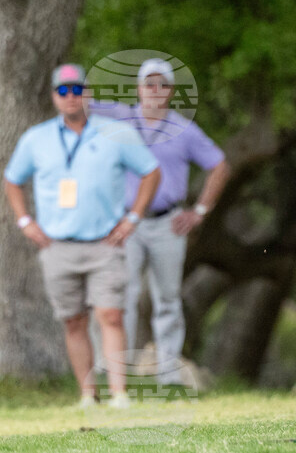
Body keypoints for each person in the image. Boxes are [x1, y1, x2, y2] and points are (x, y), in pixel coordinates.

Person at [4, 64, 161, 408]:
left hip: (106, 242)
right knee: (73, 320)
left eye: (77, 90)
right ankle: (88, 395)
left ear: (87, 94)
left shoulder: (116, 133)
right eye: (63, 91)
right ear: (54, 97)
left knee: (111, 314)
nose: (71, 96)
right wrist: (24, 221)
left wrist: (133, 217)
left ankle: (120, 394)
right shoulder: (36, 138)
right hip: (57, 245)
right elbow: (12, 178)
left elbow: (151, 171)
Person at [89, 58, 230, 385]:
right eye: (148, 84)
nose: (155, 90)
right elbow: (82, 103)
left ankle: (168, 371)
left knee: (167, 297)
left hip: (168, 223)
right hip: (126, 223)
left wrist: (200, 211)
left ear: (171, 91)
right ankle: (112, 367)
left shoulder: (184, 129)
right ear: (138, 89)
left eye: (162, 84)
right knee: (120, 293)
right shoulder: (121, 118)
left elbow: (219, 165)